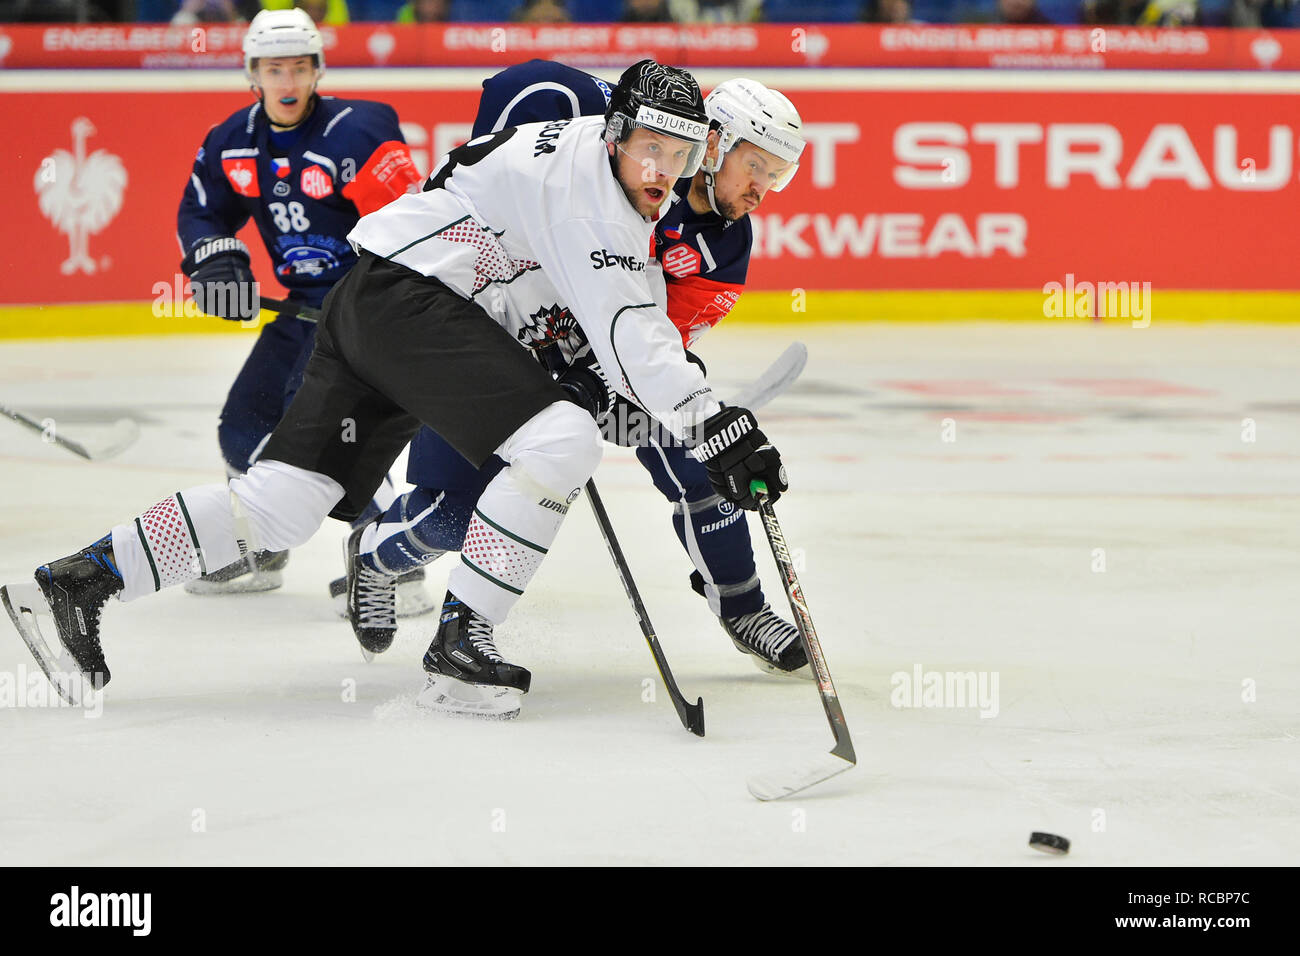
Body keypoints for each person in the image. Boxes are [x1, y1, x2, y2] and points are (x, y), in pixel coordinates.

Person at [2, 60, 788, 723]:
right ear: (615, 134)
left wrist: (581, 359)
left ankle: (73, 583)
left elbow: (578, 296)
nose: (661, 170)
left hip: (370, 303)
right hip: (414, 307)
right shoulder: (594, 192)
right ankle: (461, 646)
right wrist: (713, 423)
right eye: (649, 147)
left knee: (282, 502)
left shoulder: (597, 168)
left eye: (678, 154)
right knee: (562, 438)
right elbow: (632, 331)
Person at [344, 58, 811, 679]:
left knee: (701, 458)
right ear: (716, 141)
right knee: (453, 512)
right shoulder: (617, 162)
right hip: (489, 334)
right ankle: (377, 553)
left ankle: (742, 607)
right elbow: (523, 92)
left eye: (776, 178)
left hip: (605, 368)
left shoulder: (725, 242)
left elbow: (660, 340)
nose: (762, 191)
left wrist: (603, 383)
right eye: (757, 167)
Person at [177, 7, 429, 611]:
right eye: (272, 69)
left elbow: (410, 225)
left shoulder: (355, 131)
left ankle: (391, 565)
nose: (286, 83)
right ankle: (261, 547)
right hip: (300, 310)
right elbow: (203, 211)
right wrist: (215, 259)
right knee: (244, 428)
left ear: (317, 70)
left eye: (298, 68)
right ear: (252, 75)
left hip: (360, 312)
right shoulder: (233, 140)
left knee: (324, 435)